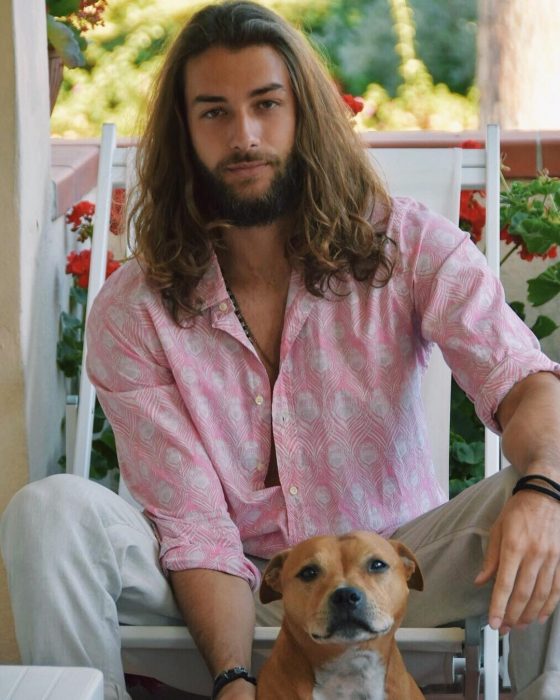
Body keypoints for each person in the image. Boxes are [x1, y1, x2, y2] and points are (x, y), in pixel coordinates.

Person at [2, 2, 560, 699]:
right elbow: (195, 526)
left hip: (391, 575)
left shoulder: (407, 246)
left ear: (304, 115)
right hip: (212, 587)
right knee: (48, 512)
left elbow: (524, 381)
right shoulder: (135, 309)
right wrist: (236, 679)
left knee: (554, 483)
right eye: (214, 112)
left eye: (266, 104)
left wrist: (543, 490)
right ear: (184, 133)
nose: (245, 135)